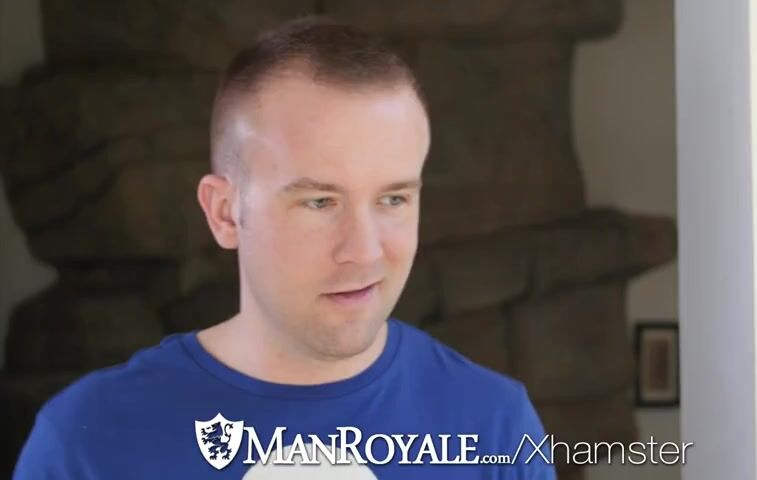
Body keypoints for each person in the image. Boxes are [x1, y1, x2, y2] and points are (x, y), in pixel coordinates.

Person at [13, 16, 556, 479]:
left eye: (392, 199)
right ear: (225, 212)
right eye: (319, 202)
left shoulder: (495, 427)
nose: (365, 251)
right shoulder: (86, 443)